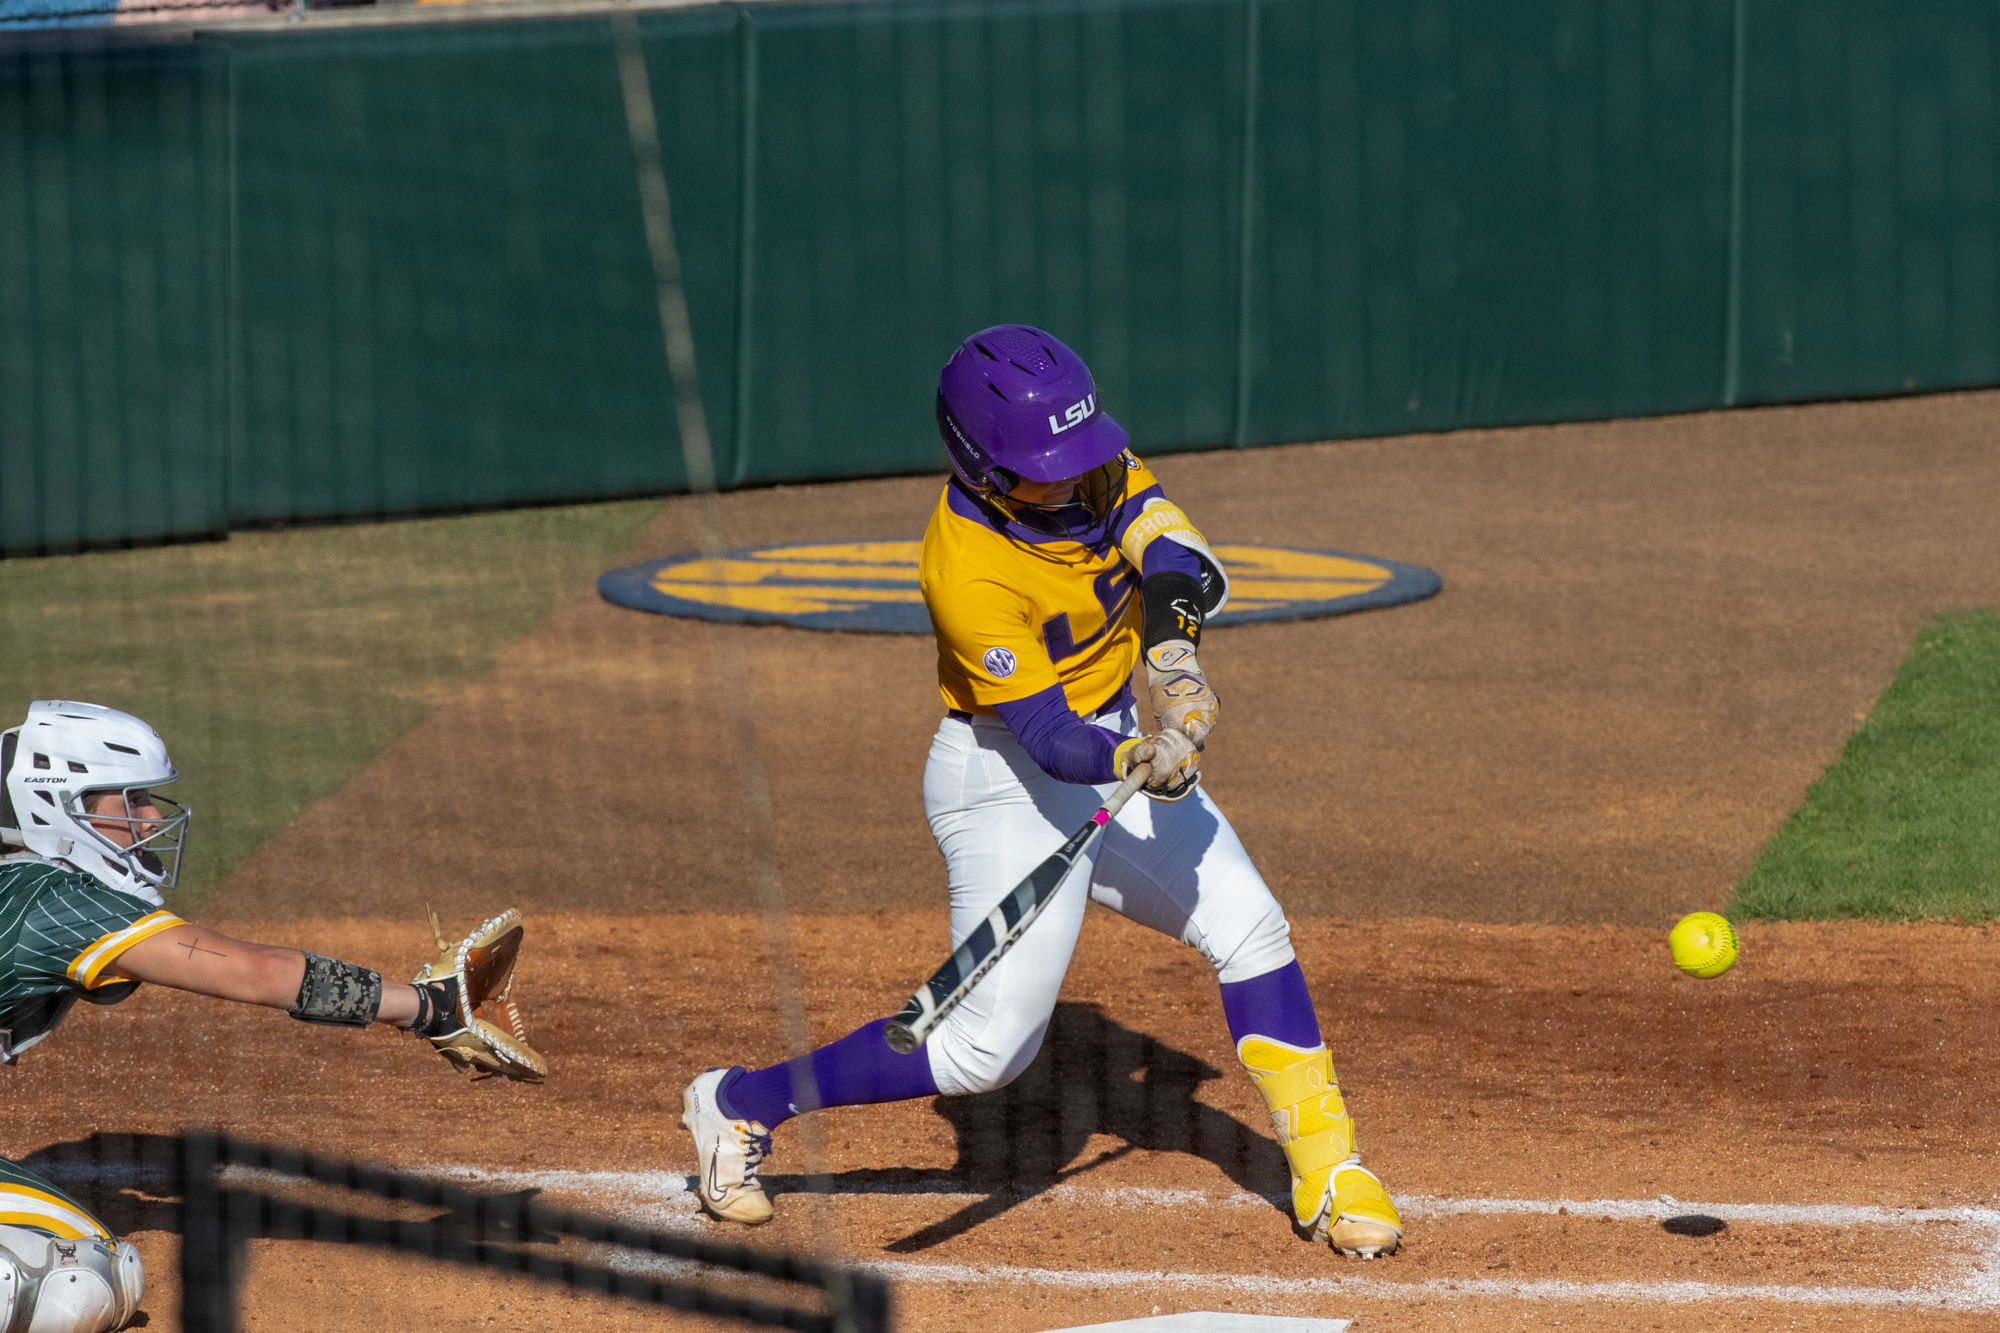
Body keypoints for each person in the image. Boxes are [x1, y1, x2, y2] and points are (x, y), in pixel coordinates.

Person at [680, 326, 1402, 1259]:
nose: (1067, 478)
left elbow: (1171, 550)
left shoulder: (1087, 458)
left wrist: (1173, 657)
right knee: (985, 1052)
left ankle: (1330, 1166)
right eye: (1041, 467)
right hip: (1006, 778)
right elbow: (1051, 741)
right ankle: (736, 1102)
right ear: (979, 463)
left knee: (1251, 925)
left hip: (1114, 739)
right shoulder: (964, 568)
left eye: (1075, 456)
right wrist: (1132, 755)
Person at [0, 699, 544, 1333]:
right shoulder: (59, 903)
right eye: (130, 801)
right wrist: (427, 1007)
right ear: (56, 806)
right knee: (77, 1284)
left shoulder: (27, 886)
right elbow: (254, 971)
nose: (150, 821)